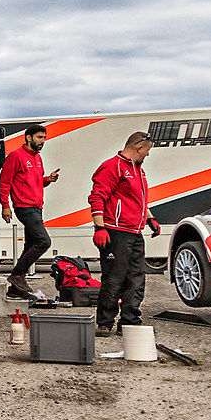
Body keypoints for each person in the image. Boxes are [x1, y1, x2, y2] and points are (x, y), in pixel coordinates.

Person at [88, 132, 159, 336]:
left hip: (135, 232)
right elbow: (97, 197)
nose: (148, 155)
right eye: (147, 150)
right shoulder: (112, 166)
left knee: (136, 278)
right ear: (139, 148)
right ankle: (105, 322)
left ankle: (130, 321)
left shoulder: (138, 171)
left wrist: (149, 218)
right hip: (115, 232)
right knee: (114, 278)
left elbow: (138, 199)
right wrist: (99, 228)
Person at [0, 124, 60, 300]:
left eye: (44, 138)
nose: (43, 141)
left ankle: (16, 289)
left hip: (37, 207)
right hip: (24, 207)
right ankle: (17, 274)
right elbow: (5, 182)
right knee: (43, 241)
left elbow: (37, 181)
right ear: (28, 138)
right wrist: (5, 206)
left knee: (30, 245)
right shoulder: (16, 156)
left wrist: (48, 179)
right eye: (39, 137)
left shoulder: (38, 158)